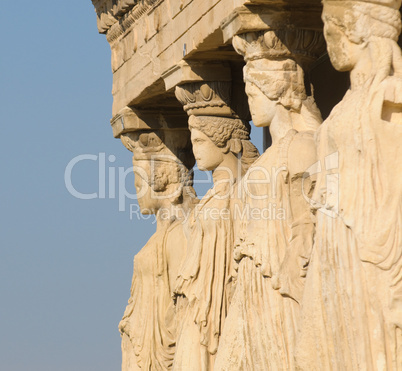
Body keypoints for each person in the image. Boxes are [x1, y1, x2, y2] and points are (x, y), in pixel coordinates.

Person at [296, 1, 402, 369]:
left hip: (365, 237)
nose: (328, 40)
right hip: (333, 239)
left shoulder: (389, 95)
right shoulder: (344, 105)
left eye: (330, 28)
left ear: (358, 30)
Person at [214, 29, 324, 370]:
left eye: (252, 91)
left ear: (274, 90)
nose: (249, 101)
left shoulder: (301, 145)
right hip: (249, 280)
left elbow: (307, 221)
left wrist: (296, 273)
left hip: (279, 276)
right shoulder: (262, 161)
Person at [173, 115, 259, 371]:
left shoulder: (241, 190)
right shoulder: (213, 196)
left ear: (222, 141)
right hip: (198, 300)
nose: (195, 149)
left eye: (199, 140)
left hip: (223, 300)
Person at [118, 129, 197, 371]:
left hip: (167, 347)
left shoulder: (180, 233)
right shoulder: (157, 240)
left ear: (160, 181)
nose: (136, 191)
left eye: (138, 183)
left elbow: (183, 302)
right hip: (143, 345)